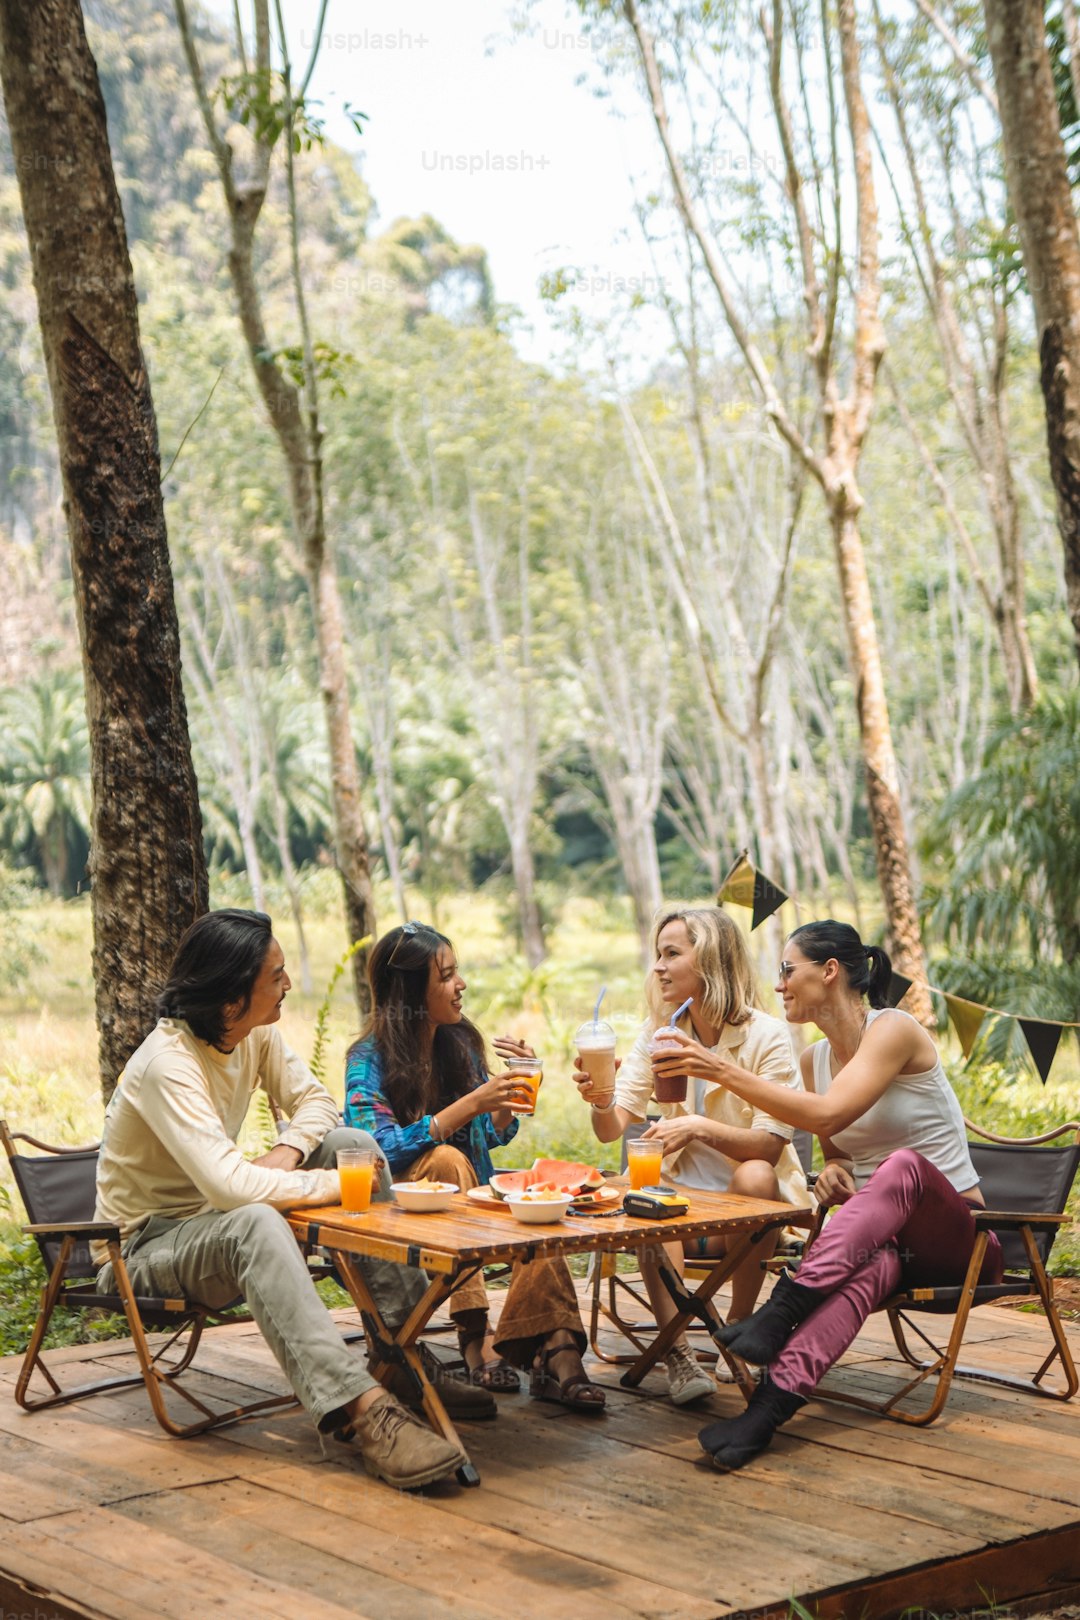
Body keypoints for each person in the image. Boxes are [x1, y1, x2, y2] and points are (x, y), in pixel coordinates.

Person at [94, 908, 491, 1492]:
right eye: (276, 976)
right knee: (258, 1217)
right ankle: (365, 1411)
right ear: (232, 997)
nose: (288, 985)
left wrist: (288, 1149)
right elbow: (233, 1189)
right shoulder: (167, 1065)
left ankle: (400, 1353)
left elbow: (318, 1103)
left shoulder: (254, 1033)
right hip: (145, 1250)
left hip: (214, 1222)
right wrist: (335, 1184)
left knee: (351, 1142)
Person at [650, 919, 1006, 1471]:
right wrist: (835, 1171)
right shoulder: (816, 1061)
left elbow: (831, 1115)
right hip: (886, 1245)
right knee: (867, 1276)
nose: (779, 985)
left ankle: (783, 1307)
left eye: (789, 970)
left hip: (961, 1242)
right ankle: (765, 1413)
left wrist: (720, 1068)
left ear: (830, 972)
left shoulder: (894, 1029)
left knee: (903, 1166)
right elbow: (837, 1147)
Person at [343, 923, 606, 1413]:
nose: (460, 983)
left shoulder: (459, 1042)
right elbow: (375, 1147)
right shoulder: (367, 1059)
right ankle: (474, 1331)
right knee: (444, 1158)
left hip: (473, 1199)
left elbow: (488, 1136)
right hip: (406, 1214)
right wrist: (467, 1105)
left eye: (456, 971)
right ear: (410, 992)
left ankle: (557, 1349)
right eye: (445, 976)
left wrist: (508, 1097)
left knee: (537, 1195)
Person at [575, 906, 808, 1407]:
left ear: (711, 962)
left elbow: (772, 1142)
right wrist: (599, 1097)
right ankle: (676, 1350)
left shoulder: (765, 1035)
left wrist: (699, 1126)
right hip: (679, 1202)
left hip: (746, 1210)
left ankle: (738, 1335)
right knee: (644, 1189)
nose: (657, 967)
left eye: (671, 954)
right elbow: (611, 1127)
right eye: (657, 955)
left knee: (755, 1173)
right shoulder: (658, 1032)